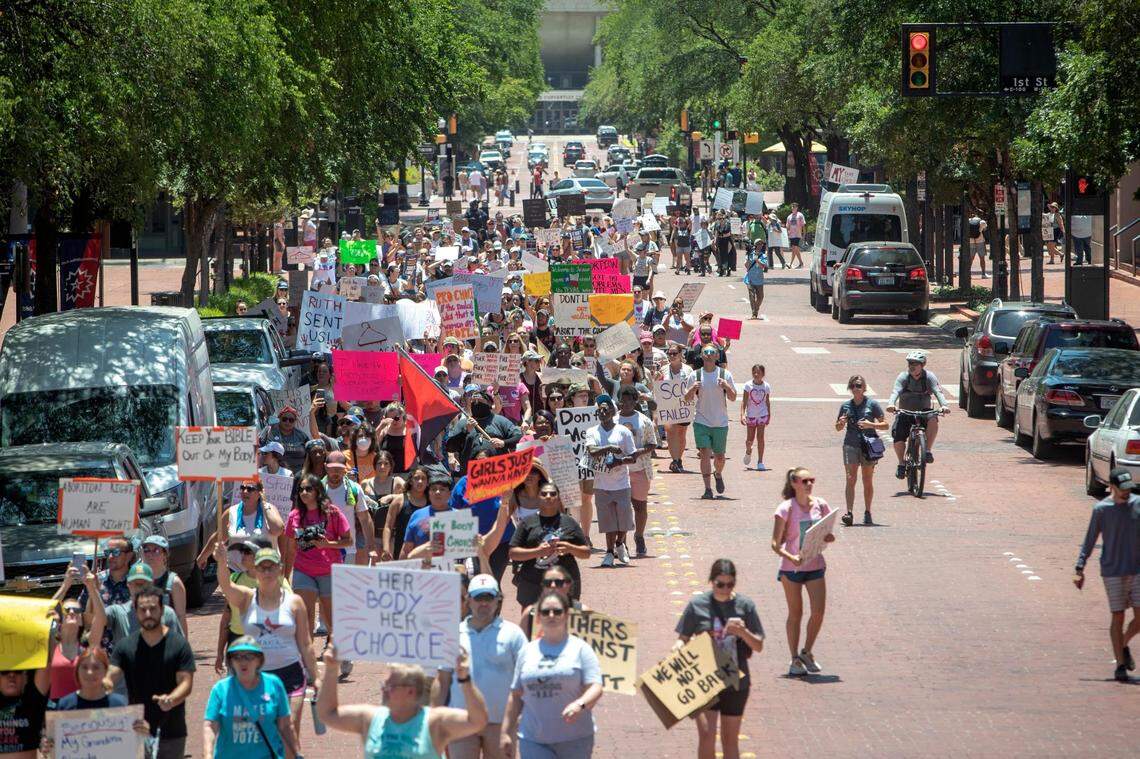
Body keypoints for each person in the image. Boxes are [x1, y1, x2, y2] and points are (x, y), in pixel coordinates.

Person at [214, 544, 318, 747]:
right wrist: (220, 561)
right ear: (256, 570)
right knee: (259, 736)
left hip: (291, 676)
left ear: (280, 568)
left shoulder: (295, 602)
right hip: (256, 678)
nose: (267, 572)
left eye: (272, 567)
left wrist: (316, 677)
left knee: (288, 731)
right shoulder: (246, 598)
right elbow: (226, 586)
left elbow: (305, 644)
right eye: (262, 567)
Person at [318, 644, 488, 758]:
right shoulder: (371, 718)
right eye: (384, 685)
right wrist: (332, 669)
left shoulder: (434, 722)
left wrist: (464, 679)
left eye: (391, 687)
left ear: (411, 691)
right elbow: (327, 714)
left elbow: (478, 721)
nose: (383, 690)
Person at [674, 559, 765, 759]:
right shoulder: (698, 605)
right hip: (704, 679)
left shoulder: (745, 606)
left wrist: (743, 632)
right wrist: (677, 649)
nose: (725, 589)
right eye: (720, 584)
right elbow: (683, 639)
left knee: (729, 739)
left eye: (730, 584)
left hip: (736, 680)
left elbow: (758, 645)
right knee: (707, 735)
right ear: (711, 581)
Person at [433, 575, 527, 759]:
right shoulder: (453, 634)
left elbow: (523, 681)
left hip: (501, 723)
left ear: (498, 599)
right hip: (462, 722)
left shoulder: (514, 634)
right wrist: (433, 719)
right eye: (478, 597)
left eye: (488, 597)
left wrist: (516, 721)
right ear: (468, 600)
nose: (483, 603)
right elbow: (442, 680)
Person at [501, 590, 604, 759]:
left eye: (557, 611)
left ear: (566, 616)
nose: (551, 615)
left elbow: (596, 686)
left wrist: (581, 704)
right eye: (545, 611)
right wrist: (505, 731)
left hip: (575, 738)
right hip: (533, 738)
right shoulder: (527, 651)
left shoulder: (581, 648)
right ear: (538, 617)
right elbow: (515, 695)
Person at [108, 585, 196, 759]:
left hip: (171, 730)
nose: (148, 614)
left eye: (153, 609)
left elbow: (186, 682)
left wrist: (172, 699)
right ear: (135, 610)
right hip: (136, 728)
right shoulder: (125, 646)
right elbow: (112, 674)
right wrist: (104, 684)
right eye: (143, 609)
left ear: (162, 610)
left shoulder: (179, 644)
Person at [1074, 466, 1140, 683]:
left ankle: (1122, 644)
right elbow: (1090, 539)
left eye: (1128, 488)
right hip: (1112, 571)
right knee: (1118, 615)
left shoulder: (1138, 504)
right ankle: (1120, 665)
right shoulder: (1102, 510)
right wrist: (1079, 568)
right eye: (1121, 489)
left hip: (1137, 569)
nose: (1126, 492)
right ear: (1111, 487)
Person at [771, 467, 835, 677]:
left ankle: (807, 651)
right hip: (792, 569)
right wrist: (792, 558)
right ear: (794, 483)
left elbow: (826, 531)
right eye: (804, 480)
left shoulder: (820, 505)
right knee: (795, 613)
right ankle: (794, 658)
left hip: (815, 563)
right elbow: (775, 544)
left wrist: (828, 538)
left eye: (811, 480)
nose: (809, 484)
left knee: (818, 612)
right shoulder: (785, 509)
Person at [281, 474, 353, 651]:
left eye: (308, 489)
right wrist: (285, 576)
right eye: (301, 490)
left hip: (328, 569)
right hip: (303, 570)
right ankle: (307, 659)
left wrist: (328, 544)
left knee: (330, 619)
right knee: (305, 616)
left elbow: (348, 541)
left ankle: (339, 652)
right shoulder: (294, 516)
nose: (304, 492)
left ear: (317, 491)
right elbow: (290, 548)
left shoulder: (333, 512)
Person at [203, 636, 300, 759]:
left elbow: (285, 725)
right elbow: (210, 725)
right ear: (231, 662)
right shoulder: (221, 689)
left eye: (249, 656)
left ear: (259, 660)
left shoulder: (273, 684)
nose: (243, 662)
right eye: (237, 657)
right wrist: (208, 754)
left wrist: (297, 753)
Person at [586, 394, 648, 567]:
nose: (603, 411)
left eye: (606, 408)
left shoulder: (623, 431)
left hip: (621, 483)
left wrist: (618, 461)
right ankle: (609, 552)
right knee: (608, 522)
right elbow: (591, 451)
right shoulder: (592, 431)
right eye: (600, 409)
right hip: (601, 484)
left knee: (624, 519)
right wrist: (609, 448)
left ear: (613, 411)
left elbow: (633, 456)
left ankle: (621, 543)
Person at [509, 481, 589, 609]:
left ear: (558, 499)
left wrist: (570, 548)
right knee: (532, 625)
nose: (548, 496)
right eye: (544, 494)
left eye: (553, 494)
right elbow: (513, 553)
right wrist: (538, 552)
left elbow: (586, 553)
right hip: (533, 584)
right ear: (538, 499)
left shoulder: (569, 522)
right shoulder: (527, 523)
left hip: (564, 584)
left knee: (565, 624)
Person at [886, 351, 950, 479]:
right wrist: (891, 404)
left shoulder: (929, 377)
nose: (912, 366)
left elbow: (938, 392)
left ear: (923, 365)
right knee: (898, 435)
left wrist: (944, 406)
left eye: (915, 363)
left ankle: (927, 451)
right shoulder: (903, 377)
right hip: (906, 411)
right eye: (910, 363)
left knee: (933, 418)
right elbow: (895, 391)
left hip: (924, 411)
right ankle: (901, 463)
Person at [835, 375, 887, 526]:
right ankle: (849, 512)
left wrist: (871, 425)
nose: (856, 388)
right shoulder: (845, 406)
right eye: (853, 386)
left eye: (859, 385)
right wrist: (841, 422)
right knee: (850, 478)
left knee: (867, 479)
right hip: (850, 444)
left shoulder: (872, 404)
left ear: (864, 388)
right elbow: (838, 428)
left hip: (868, 446)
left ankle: (868, 511)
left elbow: (885, 425)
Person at [48, 565, 106, 702]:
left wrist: (91, 587)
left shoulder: (88, 643)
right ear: (60, 617)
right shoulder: (51, 642)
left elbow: (101, 618)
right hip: (57, 709)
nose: (73, 612)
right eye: (68, 610)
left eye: (77, 610)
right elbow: (46, 612)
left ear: (81, 620)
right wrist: (66, 584)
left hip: (83, 708)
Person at [686, 345, 737, 499]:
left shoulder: (725, 374)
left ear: (717, 356)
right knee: (705, 454)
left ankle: (718, 473)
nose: (708, 355)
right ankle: (707, 489)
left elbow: (733, 397)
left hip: (720, 422)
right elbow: (686, 398)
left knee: (720, 457)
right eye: (706, 352)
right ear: (701, 355)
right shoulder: (695, 375)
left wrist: (726, 387)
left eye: (712, 353)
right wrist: (691, 389)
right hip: (701, 421)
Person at [615, 386, 657, 557]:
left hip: (640, 469)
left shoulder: (644, 421)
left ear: (635, 401)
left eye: (630, 399)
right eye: (623, 400)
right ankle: (621, 541)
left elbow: (652, 443)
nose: (626, 403)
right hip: (619, 471)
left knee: (640, 506)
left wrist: (637, 453)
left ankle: (639, 536)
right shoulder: (612, 420)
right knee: (621, 508)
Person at [323, 451, 377, 566]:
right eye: (332, 469)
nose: (336, 472)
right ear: (325, 468)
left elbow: (365, 519)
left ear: (345, 469)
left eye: (339, 469)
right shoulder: (318, 489)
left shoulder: (354, 489)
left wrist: (371, 547)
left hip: (347, 550)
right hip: (321, 549)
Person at [0, 661, 51, 759]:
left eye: (18, 671)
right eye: (4, 671)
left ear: (25, 678)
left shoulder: (32, 702)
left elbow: (46, 662)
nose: (11, 675)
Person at [140, 535, 188, 635]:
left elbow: (181, 618)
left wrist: (184, 648)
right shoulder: (138, 581)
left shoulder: (174, 583)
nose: (150, 554)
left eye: (156, 550)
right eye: (146, 550)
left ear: (165, 555)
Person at [260, 405, 311, 473]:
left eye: (291, 420)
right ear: (279, 418)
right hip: (274, 476)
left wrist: (304, 472)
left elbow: (309, 455)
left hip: (298, 475)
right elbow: (259, 450)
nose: (287, 422)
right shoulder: (269, 431)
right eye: (284, 419)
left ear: (295, 421)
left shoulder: (302, 436)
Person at [740, 364, 771, 471]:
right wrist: (742, 414)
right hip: (751, 416)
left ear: (763, 374)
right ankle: (748, 451)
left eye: (759, 372)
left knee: (761, 438)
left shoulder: (766, 386)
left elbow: (767, 401)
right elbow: (744, 401)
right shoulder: (748, 386)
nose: (756, 374)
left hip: (762, 415)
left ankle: (760, 461)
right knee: (749, 440)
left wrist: (769, 414)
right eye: (754, 372)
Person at [742, 242, 767, 319]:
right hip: (750, 279)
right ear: (755, 245)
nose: (760, 246)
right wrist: (749, 258)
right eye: (758, 244)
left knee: (760, 297)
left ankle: (756, 309)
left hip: (759, 279)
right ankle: (754, 313)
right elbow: (746, 266)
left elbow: (763, 266)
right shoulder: (750, 254)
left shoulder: (763, 255)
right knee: (752, 295)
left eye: (761, 245)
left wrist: (757, 260)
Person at [967, 210, 988, 278]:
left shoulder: (968, 220)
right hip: (980, 241)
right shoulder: (982, 221)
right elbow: (985, 229)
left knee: (970, 258)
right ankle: (983, 274)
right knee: (982, 258)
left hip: (971, 241)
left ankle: (968, 274)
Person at [785, 202, 806, 268]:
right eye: (792, 207)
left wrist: (804, 234)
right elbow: (787, 226)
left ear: (797, 208)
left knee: (795, 248)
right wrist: (787, 233)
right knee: (794, 249)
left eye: (794, 207)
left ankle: (791, 263)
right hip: (791, 235)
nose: (792, 208)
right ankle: (800, 263)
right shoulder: (789, 217)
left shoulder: (800, 215)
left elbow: (803, 225)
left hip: (797, 234)